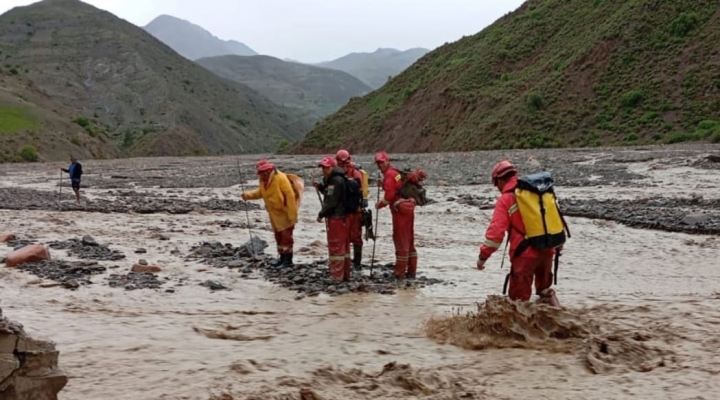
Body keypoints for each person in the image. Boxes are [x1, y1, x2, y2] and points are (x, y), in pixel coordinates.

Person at [476, 160, 561, 306]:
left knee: (519, 301)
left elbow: (495, 235)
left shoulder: (506, 199)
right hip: (548, 249)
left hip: (524, 255)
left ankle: (520, 328)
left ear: (499, 180)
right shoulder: (538, 192)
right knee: (545, 291)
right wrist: (557, 246)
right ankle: (563, 322)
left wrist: (483, 257)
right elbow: (554, 220)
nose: (497, 188)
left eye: (496, 184)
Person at [241, 160, 298, 268]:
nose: (263, 174)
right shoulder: (263, 181)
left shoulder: (280, 178)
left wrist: (292, 216)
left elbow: (290, 196)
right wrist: (247, 195)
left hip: (285, 214)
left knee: (286, 238)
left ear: (269, 169)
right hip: (274, 214)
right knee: (278, 237)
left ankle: (288, 261)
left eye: (265, 171)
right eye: (261, 172)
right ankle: (281, 259)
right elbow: (260, 193)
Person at [374, 151, 417, 280]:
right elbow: (396, 187)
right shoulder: (395, 173)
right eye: (378, 163)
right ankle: (411, 271)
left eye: (381, 162)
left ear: (387, 161)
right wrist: (383, 185)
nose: (380, 165)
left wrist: (379, 205)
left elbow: (389, 196)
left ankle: (400, 273)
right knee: (409, 241)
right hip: (407, 210)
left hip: (399, 212)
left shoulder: (389, 175)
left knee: (400, 240)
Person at [315, 156, 351, 281]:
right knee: (344, 248)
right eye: (322, 168)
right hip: (344, 218)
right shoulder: (339, 178)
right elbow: (330, 194)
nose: (324, 170)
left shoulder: (334, 181)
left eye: (326, 167)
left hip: (336, 218)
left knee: (336, 247)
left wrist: (321, 214)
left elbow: (331, 201)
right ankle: (345, 275)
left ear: (332, 167)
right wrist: (320, 187)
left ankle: (336, 276)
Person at [336, 149, 366, 271]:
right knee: (344, 237)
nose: (343, 165)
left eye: (345, 163)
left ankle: (357, 263)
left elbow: (360, 192)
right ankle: (346, 262)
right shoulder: (335, 173)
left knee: (355, 236)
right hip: (342, 211)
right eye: (341, 163)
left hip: (354, 211)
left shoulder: (356, 174)